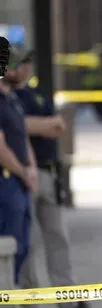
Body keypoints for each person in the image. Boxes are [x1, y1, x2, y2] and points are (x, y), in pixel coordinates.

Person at [9, 49, 102, 308]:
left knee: (58, 241)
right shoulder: (8, 98)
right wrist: (42, 126)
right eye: (17, 64)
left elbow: (57, 126)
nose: (24, 68)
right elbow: (20, 126)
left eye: (26, 63)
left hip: (48, 174)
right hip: (21, 175)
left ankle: (70, 306)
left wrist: (38, 126)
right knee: (28, 246)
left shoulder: (37, 96)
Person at [0, 50, 38, 288]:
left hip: (20, 181)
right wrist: (24, 173)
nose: (20, 69)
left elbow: (22, 138)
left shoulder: (13, 100)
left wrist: (31, 168)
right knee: (9, 247)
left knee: (21, 247)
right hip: (7, 182)